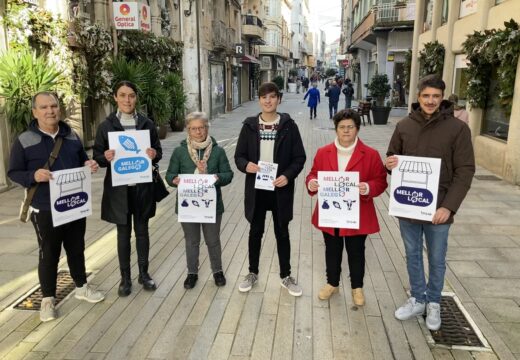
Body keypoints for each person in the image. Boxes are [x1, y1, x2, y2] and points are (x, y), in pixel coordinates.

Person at [386, 75, 475, 331]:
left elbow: (465, 170)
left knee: (436, 257)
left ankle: (434, 301)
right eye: (426, 96)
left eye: (436, 96)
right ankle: (418, 298)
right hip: (409, 206)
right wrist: (390, 163)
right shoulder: (404, 125)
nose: (431, 101)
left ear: (442, 98)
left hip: (440, 207)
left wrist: (449, 206)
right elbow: (393, 156)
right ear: (418, 97)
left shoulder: (458, 129)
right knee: (412, 254)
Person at [8, 92, 104, 322]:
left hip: (74, 204)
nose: (50, 111)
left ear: (59, 109)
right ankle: (48, 299)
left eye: (53, 106)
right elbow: (13, 173)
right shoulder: (24, 140)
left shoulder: (71, 135)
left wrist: (89, 163)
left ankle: (81, 286)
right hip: (44, 207)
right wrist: (34, 175)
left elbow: (82, 158)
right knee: (49, 253)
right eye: (44, 107)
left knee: (76, 248)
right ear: (35, 112)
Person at [305, 109, 388, 304]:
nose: (346, 131)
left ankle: (357, 287)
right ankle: (332, 283)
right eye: (342, 127)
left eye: (350, 127)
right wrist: (312, 183)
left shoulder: (371, 154)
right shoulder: (323, 152)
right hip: (331, 212)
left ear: (357, 129)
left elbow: (381, 181)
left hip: (357, 213)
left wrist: (368, 187)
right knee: (331, 250)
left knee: (356, 251)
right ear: (336, 129)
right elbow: (313, 173)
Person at [234, 82, 306, 296]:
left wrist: (287, 175)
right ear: (259, 100)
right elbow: (239, 156)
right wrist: (245, 165)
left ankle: (286, 276)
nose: (268, 101)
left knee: (282, 233)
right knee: (255, 231)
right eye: (264, 97)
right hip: (257, 189)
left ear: (279, 99)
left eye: (272, 97)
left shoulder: (288, 126)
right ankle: (252, 272)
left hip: (280, 188)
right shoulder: (249, 125)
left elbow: (299, 157)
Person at [93, 81, 162, 297]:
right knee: (123, 234)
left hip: (141, 187)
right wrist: (104, 157)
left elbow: (158, 152)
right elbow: (96, 156)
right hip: (119, 190)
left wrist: (153, 154)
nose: (127, 100)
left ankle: (144, 273)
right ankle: (125, 278)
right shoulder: (106, 126)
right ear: (115, 97)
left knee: (142, 232)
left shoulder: (147, 124)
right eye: (122, 95)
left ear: (136, 98)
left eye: (131, 96)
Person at [165, 112, 233, 289]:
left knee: (213, 240)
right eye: (194, 128)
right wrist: (174, 180)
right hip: (188, 206)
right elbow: (170, 175)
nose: (198, 132)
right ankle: (192, 273)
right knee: (191, 241)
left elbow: (229, 174)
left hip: (212, 206)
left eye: (202, 127)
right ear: (188, 130)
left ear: (207, 128)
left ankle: (217, 271)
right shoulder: (180, 152)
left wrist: (217, 177)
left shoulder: (218, 151)